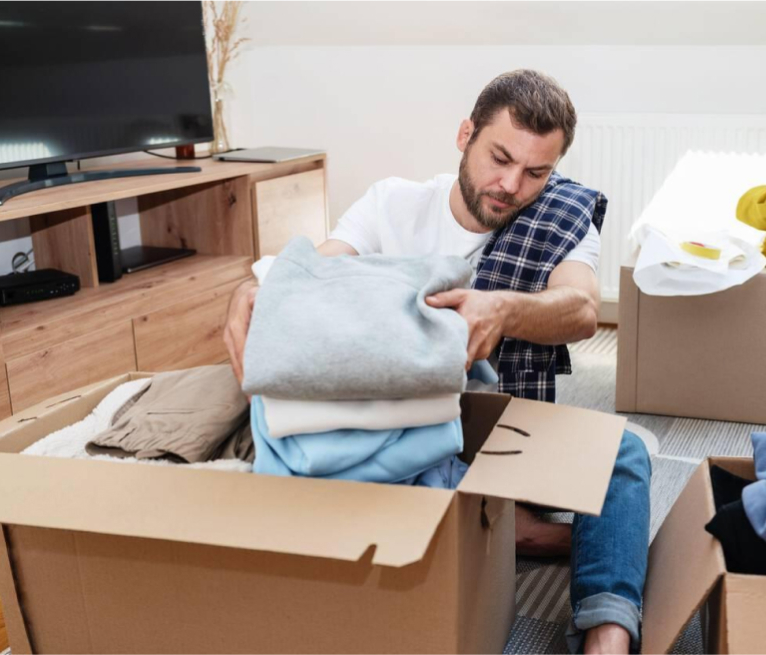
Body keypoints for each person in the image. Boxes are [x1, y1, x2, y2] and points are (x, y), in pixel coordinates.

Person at [223, 69, 651, 655]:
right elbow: (316, 274)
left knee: (623, 452)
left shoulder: (560, 221)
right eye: (499, 157)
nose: (510, 184)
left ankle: (606, 632)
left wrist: (500, 309)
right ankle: (520, 530)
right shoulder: (392, 203)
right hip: (398, 415)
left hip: (490, 418)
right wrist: (256, 289)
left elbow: (579, 309)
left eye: (535, 172)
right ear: (464, 135)